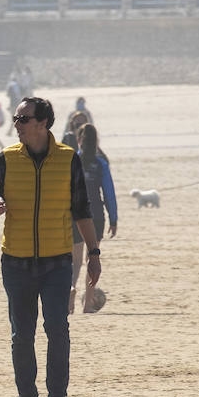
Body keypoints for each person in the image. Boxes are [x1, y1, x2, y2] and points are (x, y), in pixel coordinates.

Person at [0, 96, 101, 397]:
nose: (16, 125)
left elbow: (82, 210)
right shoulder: (5, 159)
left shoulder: (68, 160)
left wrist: (93, 253)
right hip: (16, 262)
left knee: (57, 330)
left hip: (57, 263)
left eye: (23, 119)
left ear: (43, 123)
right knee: (22, 334)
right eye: (16, 119)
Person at [69, 124, 117, 315]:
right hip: (96, 215)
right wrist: (114, 219)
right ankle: (87, 304)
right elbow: (109, 193)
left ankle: (70, 290)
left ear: (79, 140)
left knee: (75, 260)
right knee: (92, 258)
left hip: (74, 216)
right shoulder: (101, 164)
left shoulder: (72, 161)